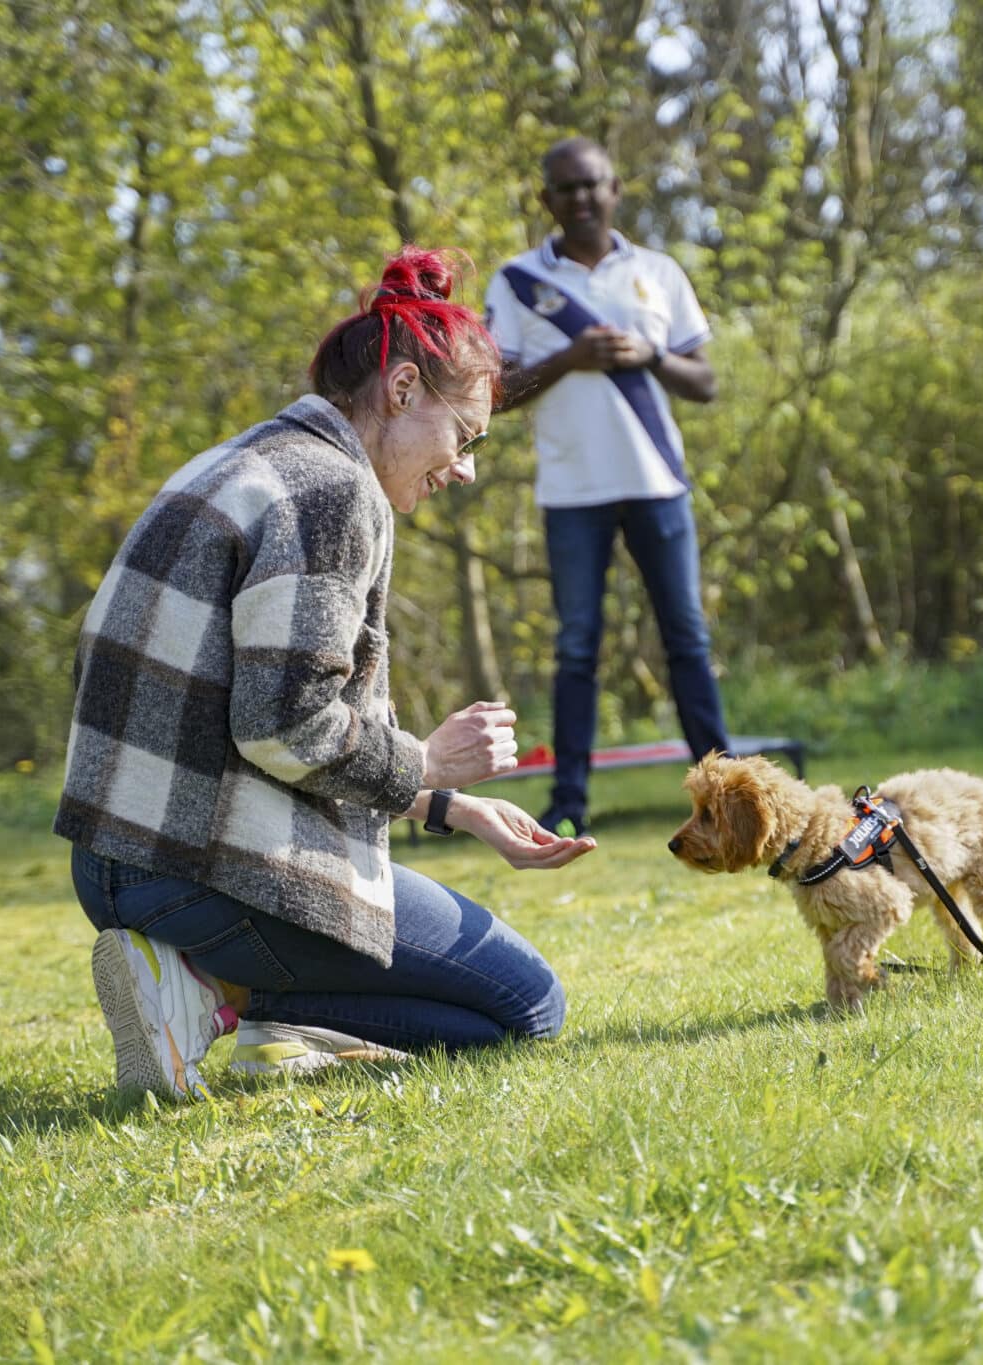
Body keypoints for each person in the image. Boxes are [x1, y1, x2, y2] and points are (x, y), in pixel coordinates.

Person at [55, 246, 597, 1100]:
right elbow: (284, 726)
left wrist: (450, 806)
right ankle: (214, 998)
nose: (464, 467)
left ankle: (249, 1009)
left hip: (115, 862)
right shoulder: (335, 491)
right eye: (465, 436)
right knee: (527, 1009)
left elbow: (237, 720)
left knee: (491, 1006)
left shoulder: (242, 460)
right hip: (194, 875)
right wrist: (425, 761)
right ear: (404, 388)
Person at [485, 136, 731, 838]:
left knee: (686, 637)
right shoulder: (516, 280)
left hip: (659, 485)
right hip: (571, 493)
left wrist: (650, 354)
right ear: (546, 201)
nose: (581, 199)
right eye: (565, 189)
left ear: (616, 188)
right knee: (576, 648)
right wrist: (569, 357)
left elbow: (706, 382)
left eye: (592, 185)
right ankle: (569, 799)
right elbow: (496, 392)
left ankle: (725, 789)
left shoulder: (657, 271)